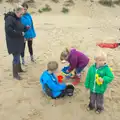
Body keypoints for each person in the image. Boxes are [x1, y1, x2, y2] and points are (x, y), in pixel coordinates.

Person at [4, 5, 30, 80]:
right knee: (16, 57)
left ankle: (19, 69)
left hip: (19, 41)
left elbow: (19, 27)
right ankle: (15, 75)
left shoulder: (17, 18)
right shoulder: (9, 18)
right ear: (16, 11)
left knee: (18, 55)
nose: (21, 15)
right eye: (21, 14)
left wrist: (25, 28)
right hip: (13, 42)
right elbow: (9, 31)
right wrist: (20, 34)